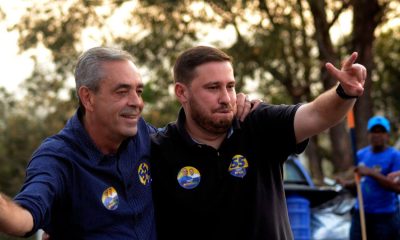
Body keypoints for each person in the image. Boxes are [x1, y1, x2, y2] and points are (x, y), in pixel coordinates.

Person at [0, 46, 255, 239]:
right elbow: (24, 217)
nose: (137, 102)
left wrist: (239, 109)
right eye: (122, 92)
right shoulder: (58, 157)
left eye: (139, 91)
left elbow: (195, 139)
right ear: (88, 98)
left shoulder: (146, 136)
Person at [150, 45, 367, 240]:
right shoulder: (159, 149)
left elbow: (317, 115)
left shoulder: (258, 124)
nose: (226, 98)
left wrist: (344, 93)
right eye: (213, 87)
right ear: (182, 92)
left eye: (230, 86)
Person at [337, 116, 400, 240]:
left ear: (387, 135)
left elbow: (397, 188)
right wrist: (346, 184)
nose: (377, 135)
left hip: (384, 216)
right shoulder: (360, 154)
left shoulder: (395, 156)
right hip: (360, 214)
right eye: (373, 131)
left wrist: (371, 172)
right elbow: (360, 182)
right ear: (368, 134)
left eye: (381, 131)